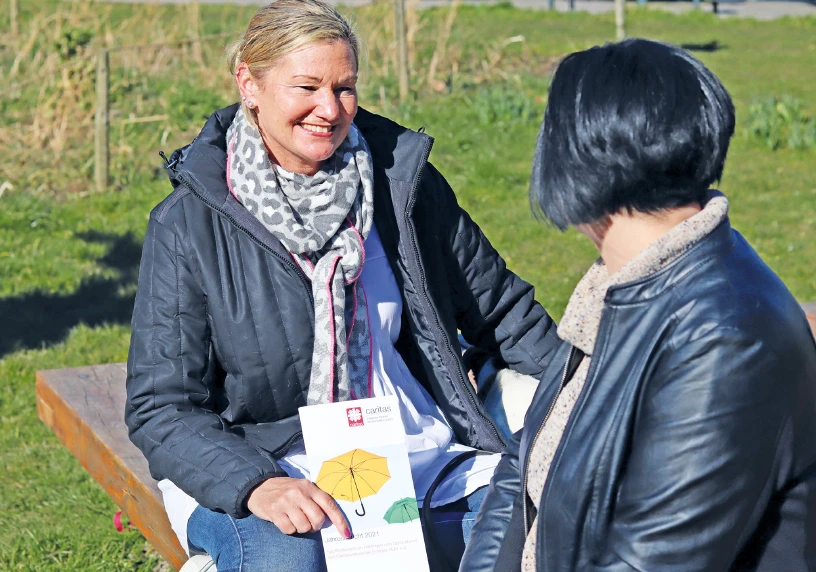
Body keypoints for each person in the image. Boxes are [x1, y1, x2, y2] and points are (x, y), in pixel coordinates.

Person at [124, 1, 559, 570]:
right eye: (306, 87)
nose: (329, 110)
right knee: (289, 558)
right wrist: (256, 485)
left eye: (345, 88)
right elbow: (161, 405)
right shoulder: (190, 224)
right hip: (266, 463)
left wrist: (598, 391)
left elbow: (502, 310)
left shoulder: (401, 187)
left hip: (410, 450)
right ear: (248, 84)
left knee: (537, 531)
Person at [461, 39, 816, 572]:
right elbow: (523, 466)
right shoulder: (618, 286)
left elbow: (654, 562)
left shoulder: (728, 337)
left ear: (577, 159)